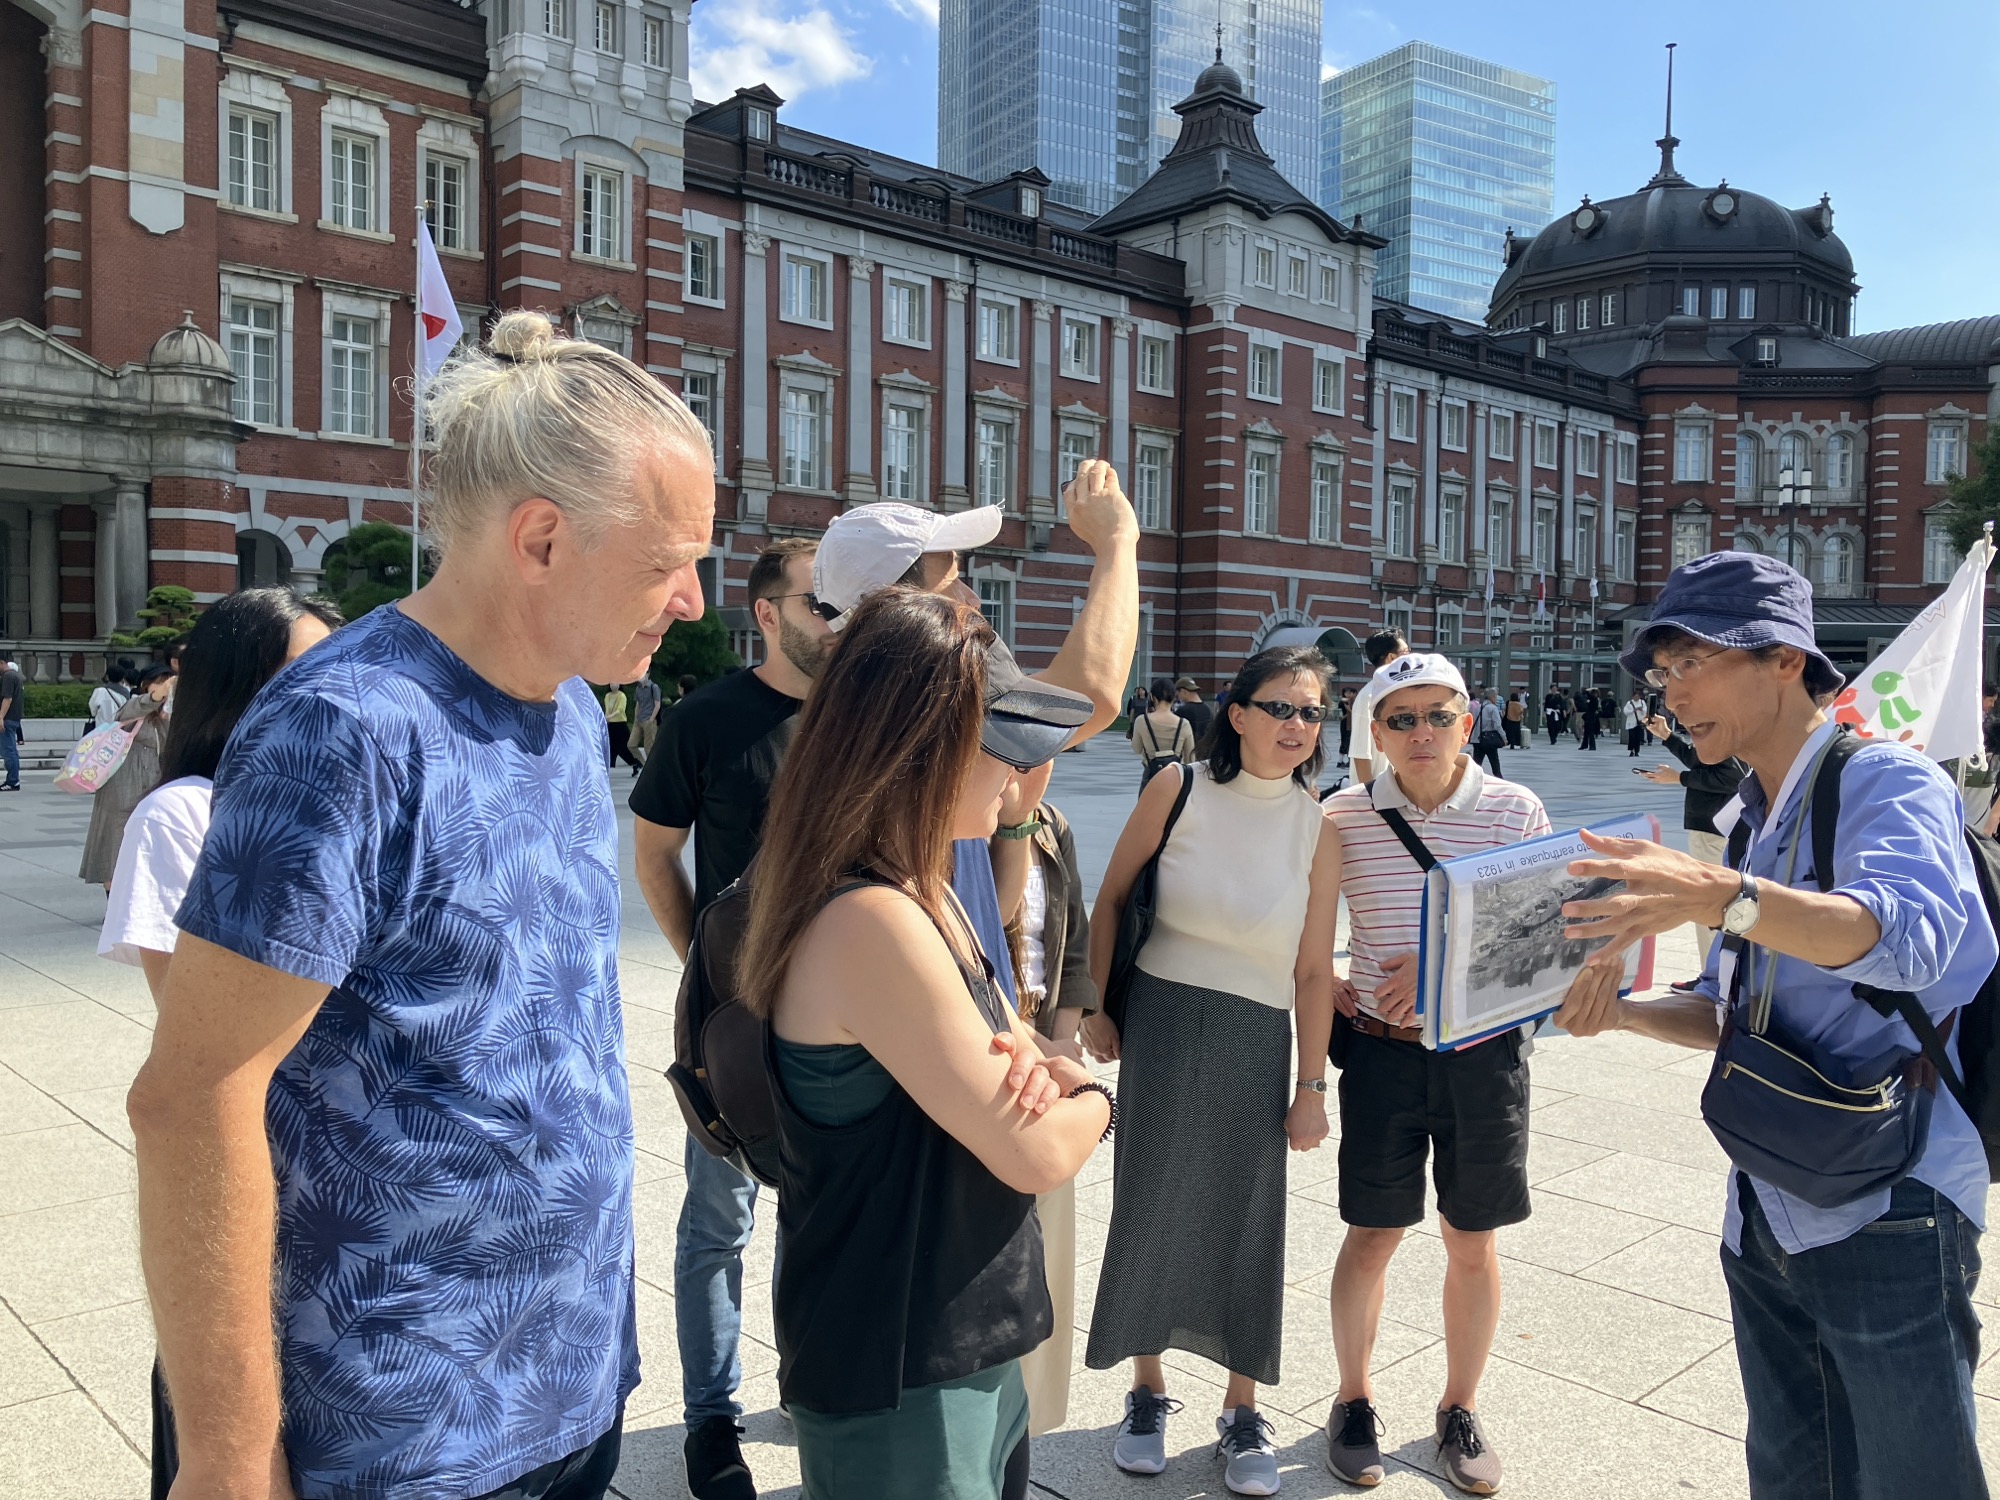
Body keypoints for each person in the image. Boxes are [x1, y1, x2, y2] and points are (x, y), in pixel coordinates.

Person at [126, 309, 715, 1500]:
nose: (694, 600)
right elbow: (193, 1099)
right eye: (667, 562)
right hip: (395, 1430)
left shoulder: (560, 712)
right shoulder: (344, 731)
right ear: (541, 539)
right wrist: (233, 1460)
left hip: (564, 1385)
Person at [1556, 550, 1996, 1500]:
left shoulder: (1887, 782)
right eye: (1662, 675)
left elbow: (1907, 942)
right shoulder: (1755, 820)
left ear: (1787, 658)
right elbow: (1727, 1011)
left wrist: (1719, 894)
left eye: (1693, 663)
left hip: (1891, 1200)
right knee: (1795, 1475)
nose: (1672, 696)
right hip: (1766, 1199)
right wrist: (1617, 1013)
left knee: (1917, 1481)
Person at [741, 588, 1111, 1500]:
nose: (1019, 780)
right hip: (903, 1364)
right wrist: (1098, 1099)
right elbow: (1030, 1151)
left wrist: (1033, 1060)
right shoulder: (873, 918)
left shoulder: (921, 881)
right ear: (922, 752)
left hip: (960, 1330)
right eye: (1001, 750)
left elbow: (1004, 1040)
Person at [1083, 646, 1340, 1498]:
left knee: (1246, 1213)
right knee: (1151, 1199)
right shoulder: (1178, 787)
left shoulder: (1319, 826)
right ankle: (1148, 1389)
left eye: (1311, 712)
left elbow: (1311, 972)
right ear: (1237, 714)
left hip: (1257, 1033)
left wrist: (1312, 1088)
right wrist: (1098, 1005)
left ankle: (1241, 1406)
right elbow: (1113, 896)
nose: (1297, 726)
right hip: (1160, 1020)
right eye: (1281, 707)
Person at [1318, 653, 1565, 1495]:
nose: (1421, 733)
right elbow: (1300, 926)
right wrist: (1316, 980)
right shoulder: (1343, 816)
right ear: (1375, 731)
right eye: (1401, 718)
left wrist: (1440, 964)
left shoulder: (1512, 810)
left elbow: (1543, 936)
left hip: (1481, 1058)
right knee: (1373, 1233)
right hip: (1381, 1052)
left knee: (1472, 1238)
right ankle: (1353, 1399)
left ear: (1468, 720)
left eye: (1439, 715)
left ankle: (1460, 1407)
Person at [629, 535, 834, 1500]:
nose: (836, 618)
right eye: (818, 602)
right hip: (737, 1021)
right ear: (766, 613)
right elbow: (654, 856)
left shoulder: (856, 722)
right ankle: (711, 1421)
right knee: (718, 1222)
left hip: (843, 1015)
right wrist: (705, 972)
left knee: (819, 1212)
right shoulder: (707, 719)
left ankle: (807, 1379)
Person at [100, 590, 341, 1005]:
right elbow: (192, 1015)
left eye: (339, 671)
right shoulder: (180, 813)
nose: (334, 693)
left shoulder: (369, 797)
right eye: (302, 676)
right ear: (232, 686)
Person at [1001, 792, 1097, 1439]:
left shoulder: (1051, 822)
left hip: (1046, 1042)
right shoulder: (948, 819)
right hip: (983, 1046)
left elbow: (1074, 944)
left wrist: (1063, 1039)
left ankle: (1024, 1425)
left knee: (1045, 1250)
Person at [78, 663, 174, 889]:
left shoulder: (169, 714)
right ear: (145, 685)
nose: (164, 688)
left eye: (167, 683)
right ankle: (113, 907)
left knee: (146, 849)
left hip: (152, 787)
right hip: (122, 787)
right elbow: (139, 707)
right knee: (114, 848)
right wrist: (159, 695)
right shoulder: (133, 705)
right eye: (158, 682)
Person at [1349, 628, 1411, 785]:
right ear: (1391, 658)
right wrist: (1370, 798)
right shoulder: (1368, 697)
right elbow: (1361, 754)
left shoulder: (1400, 693)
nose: (1410, 657)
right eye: (1406, 652)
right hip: (1377, 794)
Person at [1130, 677, 1197, 787]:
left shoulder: (1142, 721)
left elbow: (1136, 749)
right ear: (1174, 696)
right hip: (1176, 777)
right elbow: (1190, 757)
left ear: (1152, 697)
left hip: (1151, 775)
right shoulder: (1183, 724)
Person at [601, 680, 644, 774]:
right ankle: (608, 766)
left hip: (620, 724)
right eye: (611, 683)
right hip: (611, 725)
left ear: (619, 684)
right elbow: (607, 709)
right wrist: (606, 718)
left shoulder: (621, 696)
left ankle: (636, 762)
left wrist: (609, 716)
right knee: (610, 746)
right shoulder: (607, 696)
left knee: (625, 746)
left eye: (615, 683)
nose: (613, 685)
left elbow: (620, 710)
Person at [628, 670, 663, 765]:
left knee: (649, 747)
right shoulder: (638, 688)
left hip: (649, 720)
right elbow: (638, 704)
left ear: (647, 674)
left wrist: (651, 719)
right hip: (639, 720)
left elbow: (657, 704)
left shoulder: (654, 687)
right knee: (631, 744)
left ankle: (653, 766)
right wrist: (636, 718)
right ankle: (643, 763)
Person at [1470, 688, 1506, 777]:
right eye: (1496, 697)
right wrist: (1504, 737)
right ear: (1492, 697)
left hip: (1477, 740)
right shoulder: (1493, 708)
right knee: (1495, 766)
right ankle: (1501, 783)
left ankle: (1471, 782)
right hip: (1489, 740)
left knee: (1476, 765)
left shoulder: (1477, 707)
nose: (1496, 699)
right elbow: (1497, 725)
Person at [0, 651, 22, 791]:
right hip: (13, 718)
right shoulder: (14, 676)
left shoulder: (8, 677)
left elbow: (7, 699)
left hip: (7, 719)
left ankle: (13, 781)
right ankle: (13, 780)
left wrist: (0, 717)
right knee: (10, 750)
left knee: (8, 751)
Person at [1173, 675, 1215, 745]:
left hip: (1189, 751)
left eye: (1178, 694)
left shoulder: (1183, 711)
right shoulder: (1208, 710)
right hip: (1206, 751)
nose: (1179, 698)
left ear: (1184, 691)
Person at [1622, 689, 1649, 756]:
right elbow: (1625, 711)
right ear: (1633, 696)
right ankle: (1631, 750)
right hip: (1631, 723)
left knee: (1638, 737)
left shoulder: (1642, 702)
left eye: (1638, 696)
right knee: (1632, 737)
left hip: (1639, 722)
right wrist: (1633, 710)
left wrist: (1641, 709)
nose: (1636, 698)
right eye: (1635, 696)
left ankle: (1637, 751)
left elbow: (1645, 711)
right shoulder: (1629, 703)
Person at [1577, 686, 1601, 751]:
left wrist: (1589, 689)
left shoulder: (1594, 699)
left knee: (1590, 732)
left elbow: (1586, 692)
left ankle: (1592, 746)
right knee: (1586, 732)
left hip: (1591, 717)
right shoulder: (1594, 699)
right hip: (1589, 716)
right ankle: (1584, 745)